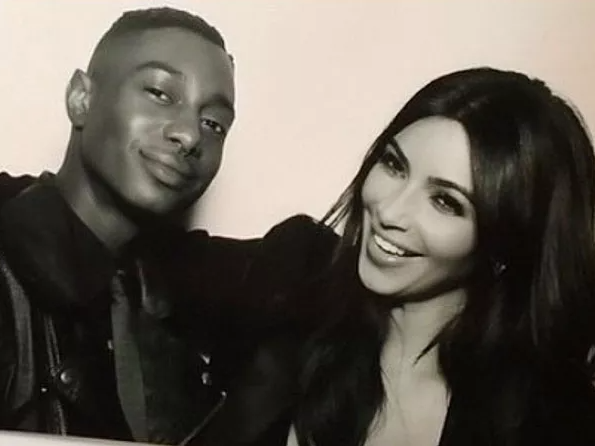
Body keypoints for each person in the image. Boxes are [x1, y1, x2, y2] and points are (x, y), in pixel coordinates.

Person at [196, 67, 595, 446]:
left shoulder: (549, 422)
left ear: (506, 243)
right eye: (393, 164)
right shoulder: (294, 278)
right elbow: (165, 265)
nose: (389, 211)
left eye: (445, 201)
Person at [0, 6, 270, 444]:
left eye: (213, 123)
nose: (190, 135)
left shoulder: (168, 296)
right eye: (160, 93)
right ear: (81, 98)